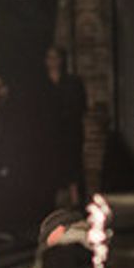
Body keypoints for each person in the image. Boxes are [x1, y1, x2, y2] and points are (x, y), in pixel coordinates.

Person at [39, 45, 88, 207]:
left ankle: (75, 201)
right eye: (50, 58)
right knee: (51, 166)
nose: (53, 62)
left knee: (72, 166)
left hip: (69, 132)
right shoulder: (42, 85)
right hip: (49, 133)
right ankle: (52, 202)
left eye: (56, 58)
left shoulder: (72, 82)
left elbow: (80, 106)